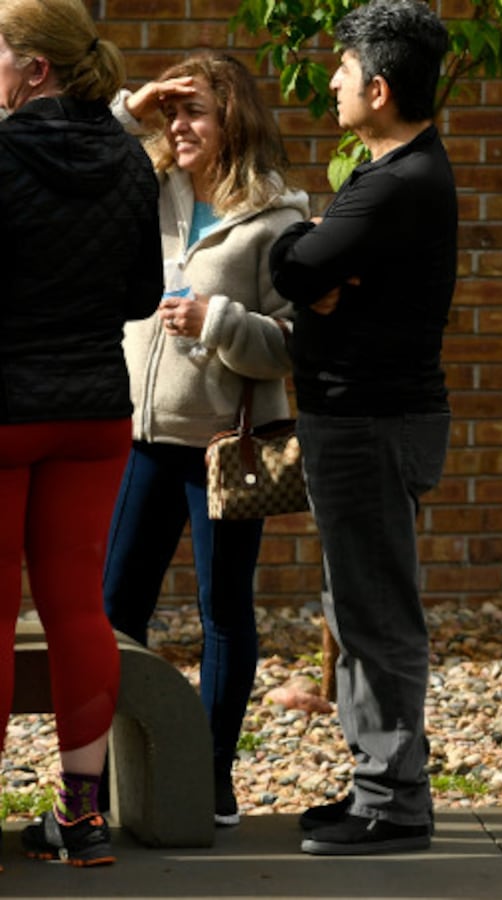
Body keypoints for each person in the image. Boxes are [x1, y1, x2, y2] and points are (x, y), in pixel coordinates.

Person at [102, 52, 308, 828]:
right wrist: (135, 104)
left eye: (195, 113)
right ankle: (115, 775)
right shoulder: (151, 187)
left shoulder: (277, 221)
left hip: (226, 446)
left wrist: (217, 323)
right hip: (144, 435)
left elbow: (292, 345)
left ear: (235, 122)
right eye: (172, 113)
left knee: (224, 609)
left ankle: (211, 780)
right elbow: (89, 153)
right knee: (117, 606)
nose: (177, 127)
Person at [267, 0, 454, 856]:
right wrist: (316, 269)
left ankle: (393, 803)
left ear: (378, 88)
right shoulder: (402, 174)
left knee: (376, 611)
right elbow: (314, 274)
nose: (332, 82)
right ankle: (376, 788)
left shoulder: (391, 184)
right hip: (371, 419)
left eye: (341, 71)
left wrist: (303, 258)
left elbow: (296, 267)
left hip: (370, 423)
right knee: (359, 602)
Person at [0, 0, 161, 866]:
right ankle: (84, 818)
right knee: (77, 609)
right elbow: (140, 296)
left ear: (34, 70)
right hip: (96, 411)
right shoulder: (132, 164)